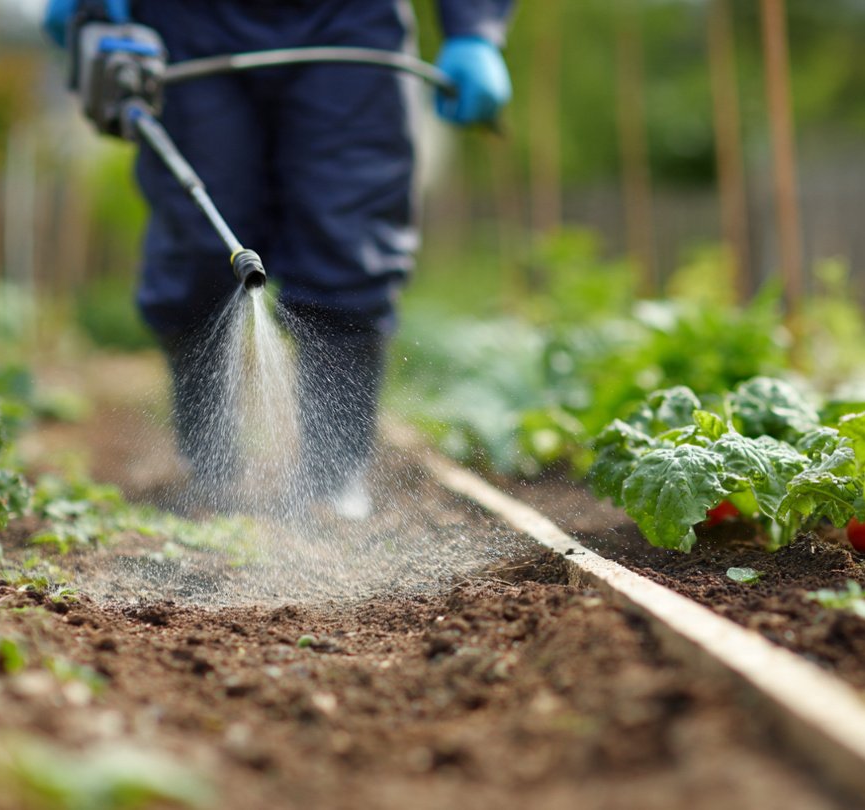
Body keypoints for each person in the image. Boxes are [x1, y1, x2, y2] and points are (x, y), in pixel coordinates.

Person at [43, 0, 515, 519]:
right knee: (199, 244)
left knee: (348, 238)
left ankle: (333, 477)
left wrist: (474, 28)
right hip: (187, 22)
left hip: (349, 21)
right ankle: (211, 469)